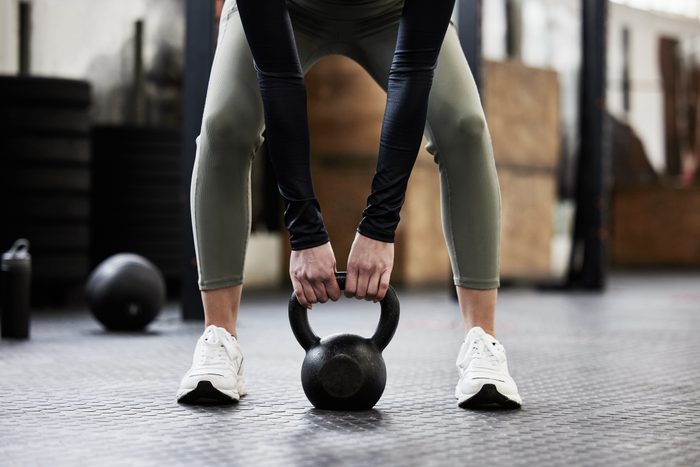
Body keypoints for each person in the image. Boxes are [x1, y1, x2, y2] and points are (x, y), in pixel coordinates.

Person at [177, 0, 522, 409]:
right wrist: (304, 230)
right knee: (225, 125)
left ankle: (481, 341)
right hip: (288, 8)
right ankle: (219, 340)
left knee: (465, 126)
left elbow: (412, 71)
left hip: (392, 10)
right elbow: (277, 76)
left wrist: (380, 225)